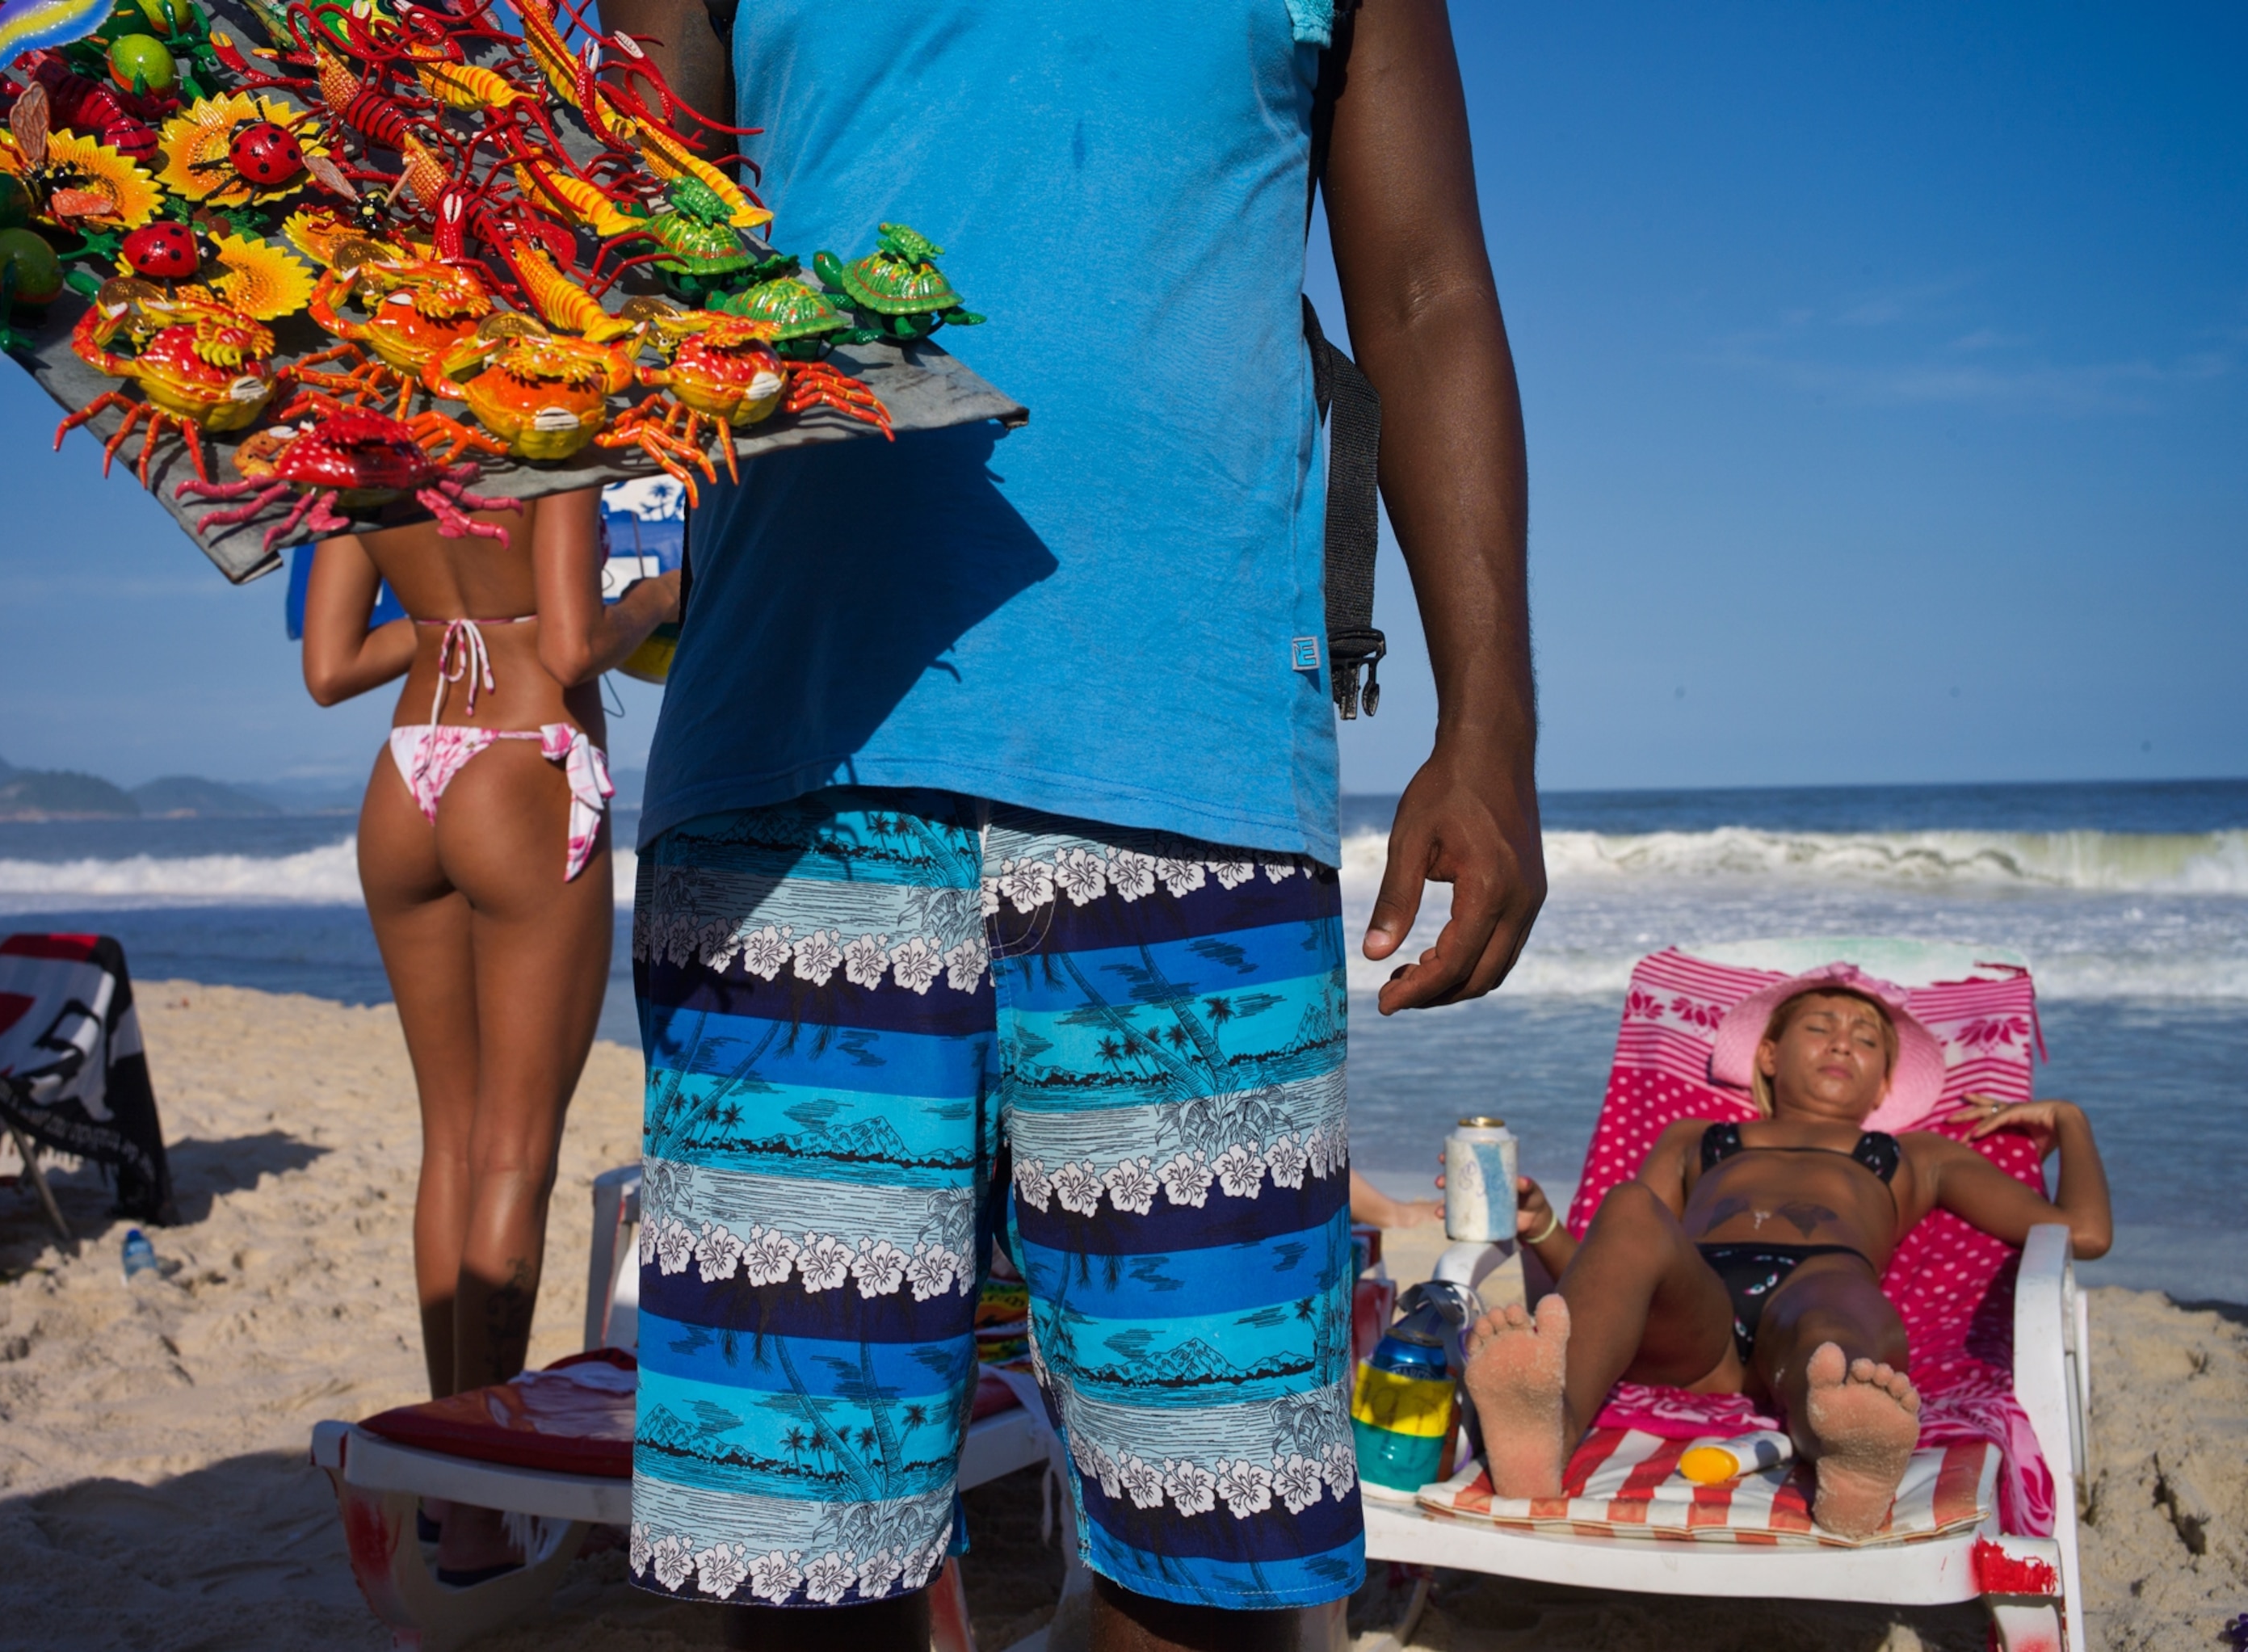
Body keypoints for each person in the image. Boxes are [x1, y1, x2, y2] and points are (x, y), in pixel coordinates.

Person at [604, 5, 1544, 1648]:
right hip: (792, 780)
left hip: (1193, 786)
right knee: (799, 1561)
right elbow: (614, 216)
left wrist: (1491, 721)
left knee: (1216, 1552)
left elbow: (1426, 291)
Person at [298, 490, 680, 1579]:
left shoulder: (359, 444)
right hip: (526, 760)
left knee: (453, 1142)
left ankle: (438, 1467)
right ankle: (473, 1514)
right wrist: (656, 593)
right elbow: (569, 647)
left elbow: (327, 670)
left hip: (407, 767)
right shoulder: (542, 425)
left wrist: (441, 629)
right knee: (516, 1146)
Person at [1462, 973, 2112, 1537]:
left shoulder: (1918, 1154)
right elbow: (1613, 1275)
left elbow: (2081, 1231)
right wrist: (1543, 1225)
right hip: (1698, 1312)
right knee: (1630, 1205)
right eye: (1821, 1027)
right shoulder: (1696, 1137)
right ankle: (1546, 1427)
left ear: (1884, 1082)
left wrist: (2071, 1121)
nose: (1842, 1043)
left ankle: (1847, 1451)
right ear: (1768, 1054)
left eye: (1866, 1039)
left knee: (1831, 1314)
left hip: (1818, 1291)